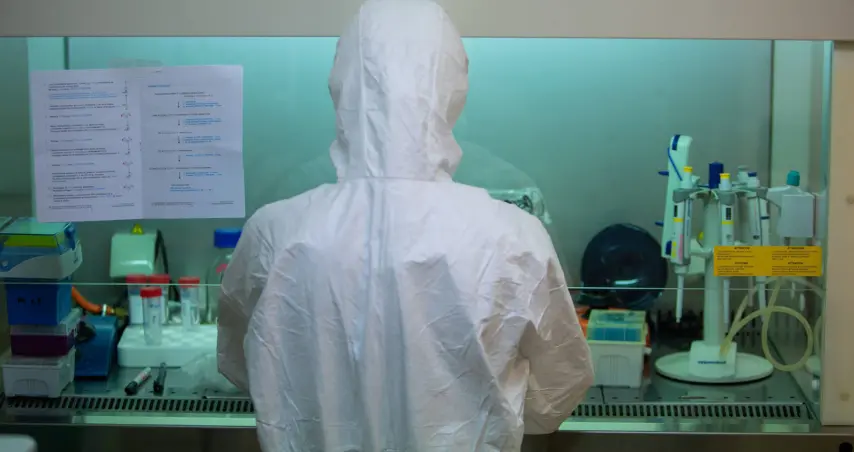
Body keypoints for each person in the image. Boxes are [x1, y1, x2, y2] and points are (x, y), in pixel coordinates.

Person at [217, 0, 594, 450]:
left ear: (342, 86)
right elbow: (557, 392)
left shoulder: (274, 234)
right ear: (451, 88)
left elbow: (240, 363)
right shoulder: (513, 238)